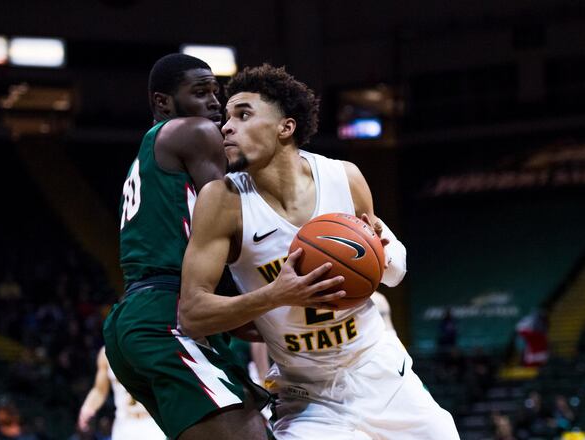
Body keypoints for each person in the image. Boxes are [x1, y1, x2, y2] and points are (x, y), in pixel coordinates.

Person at [179, 64, 459, 440]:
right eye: (226, 117)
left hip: (381, 373)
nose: (226, 126)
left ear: (286, 127)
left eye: (243, 115)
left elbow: (392, 272)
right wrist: (275, 295)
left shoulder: (344, 178)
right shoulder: (221, 201)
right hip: (306, 394)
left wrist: (385, 250)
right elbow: (192, 314)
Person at [102, 54, 270, 440]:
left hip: (141, 315)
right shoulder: (194, 131)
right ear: (162, 102)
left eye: (216, 91)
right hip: (168, 316)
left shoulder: (150, 152)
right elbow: (232, 222)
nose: (214, 102)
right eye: (200, 92)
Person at [78, 347, 165, 439]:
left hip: (154, 423)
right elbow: (100, 391)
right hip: (123, 425)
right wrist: (87, 408)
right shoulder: (106, 353)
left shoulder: (154, 344)